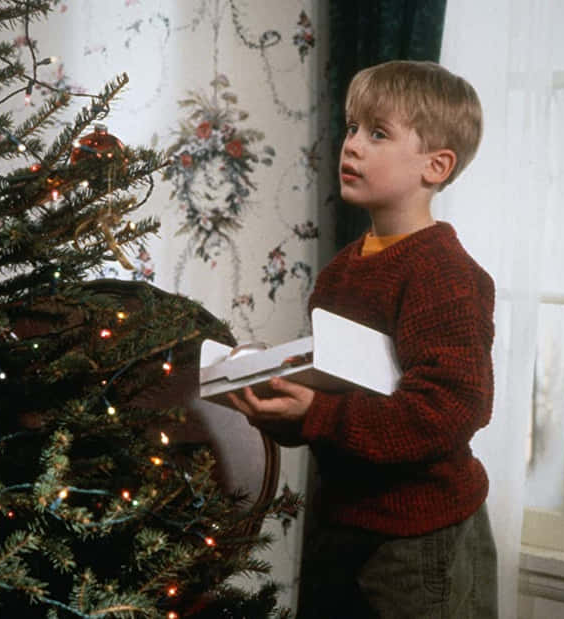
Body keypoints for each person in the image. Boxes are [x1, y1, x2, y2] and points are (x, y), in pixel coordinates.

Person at [228, 60, 497, 618]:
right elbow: (344, 398)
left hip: (419, 538)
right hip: (340, 525)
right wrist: (285, 410)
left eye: (378, 134)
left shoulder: (444, 274)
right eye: (352, 128)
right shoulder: (341, 272)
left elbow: (448, 412)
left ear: (436, 165)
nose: (351, 146)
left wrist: (317, 416)